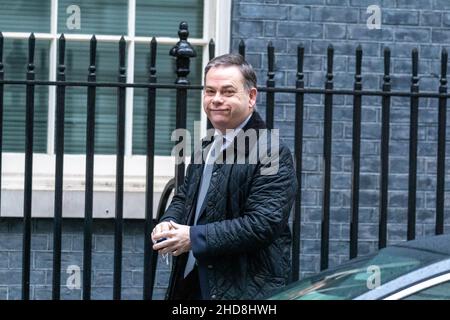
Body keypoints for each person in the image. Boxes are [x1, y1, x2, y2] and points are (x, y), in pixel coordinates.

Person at [151, 53, 298, 300]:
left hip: (243, 290)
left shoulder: (271, 152)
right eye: (210, 91)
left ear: (251, 97)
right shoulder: (207, 144)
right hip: (192, 283)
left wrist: (193, 237)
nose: (216, 100)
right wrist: (169, 221)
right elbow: (185, 197)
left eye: (227, 92)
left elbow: (262, 224)